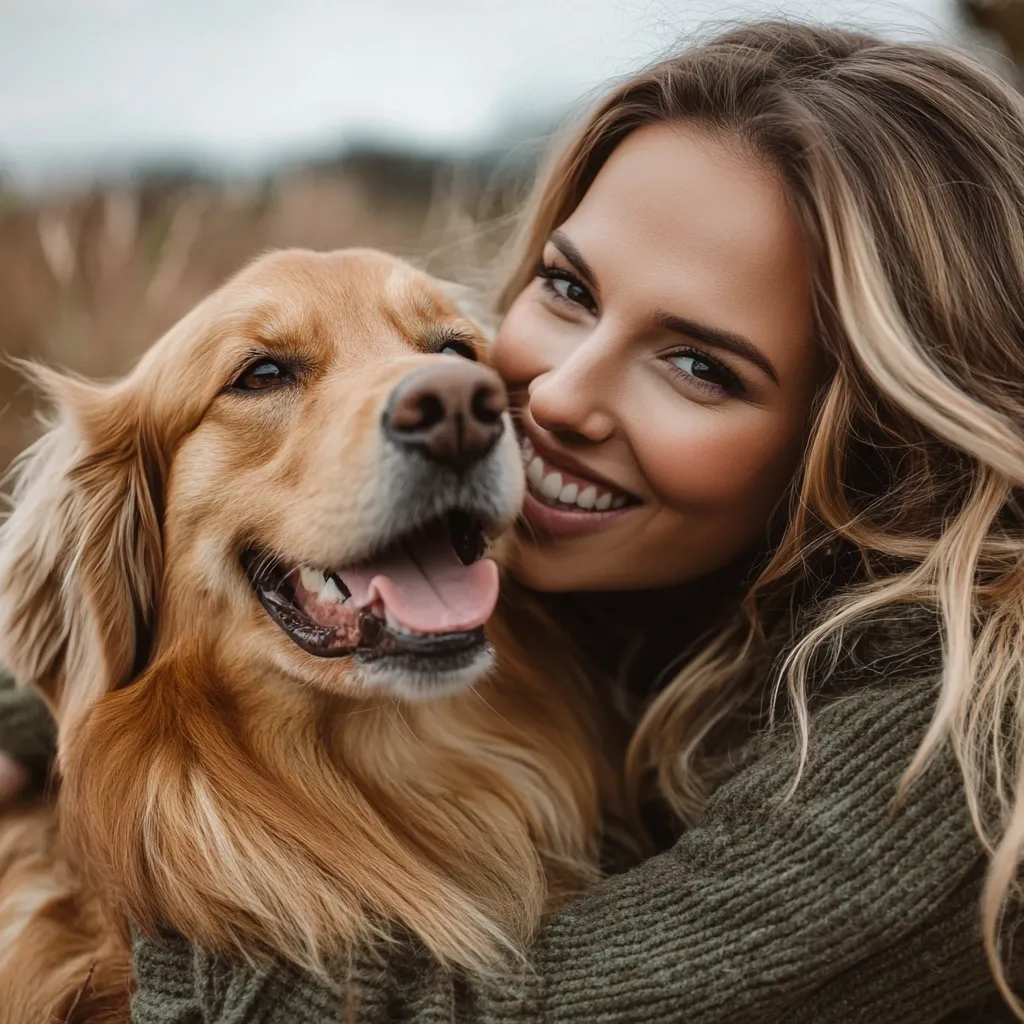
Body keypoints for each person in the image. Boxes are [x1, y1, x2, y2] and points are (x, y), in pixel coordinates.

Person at [2, 18, 1023, 1022]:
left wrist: (162, 973)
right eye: (568, 288)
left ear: (863, 443)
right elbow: (98, 626)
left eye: (701, 365)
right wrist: (40, 703)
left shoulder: (941, 751)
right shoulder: (605, 555)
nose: (545, 399)